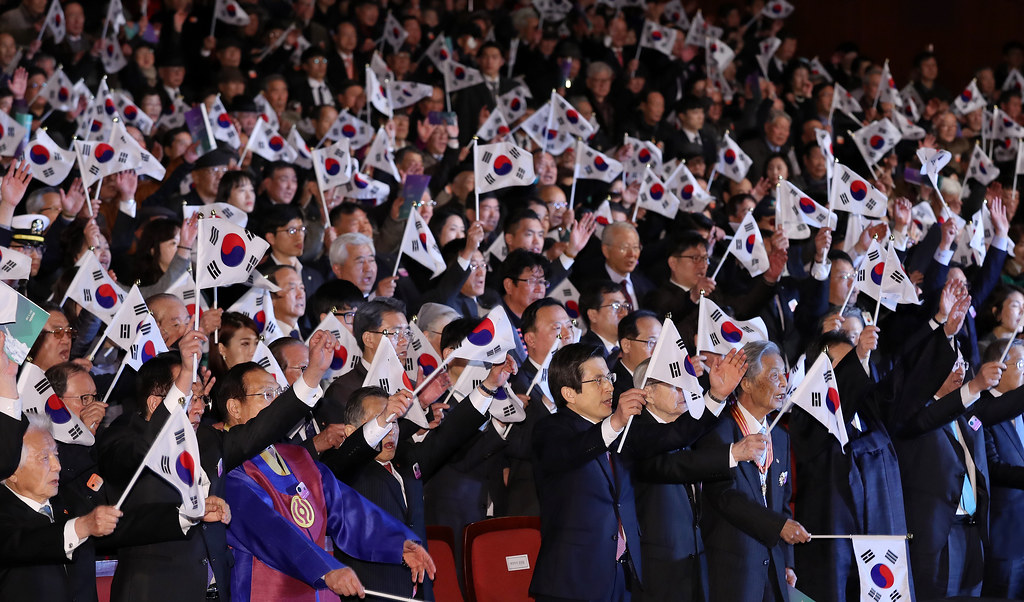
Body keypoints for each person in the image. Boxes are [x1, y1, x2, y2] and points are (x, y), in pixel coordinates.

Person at [529, 343, 740, 601]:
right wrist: (615, 423)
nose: (609, 386)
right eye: (598, 380)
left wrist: (716, 396)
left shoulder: (621, 432)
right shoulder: (550, 431)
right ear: (569, 393)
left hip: (621, 577)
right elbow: (573, 452)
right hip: (572, 581)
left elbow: (674, 434)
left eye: (609, 377)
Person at [218, 362, 436, 601]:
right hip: (268, 591)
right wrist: (324, 568)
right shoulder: (225, 468)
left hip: (321, 589)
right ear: (234, 407)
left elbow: (347, 509)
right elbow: (270, 531)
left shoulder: (295, 456)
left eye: (279, 394)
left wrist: (398, 544)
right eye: (267, 394)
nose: (277, 403)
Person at [695, 340, 811, 602]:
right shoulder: (719, 429)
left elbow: (782, 504)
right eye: (774, 375)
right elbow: (725, 496)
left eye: (784, 374)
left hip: (773, 571)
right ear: (746, 383)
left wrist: (787, 561)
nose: (784, 382)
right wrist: (778, 526)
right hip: (733, 571)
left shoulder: (780, 436)